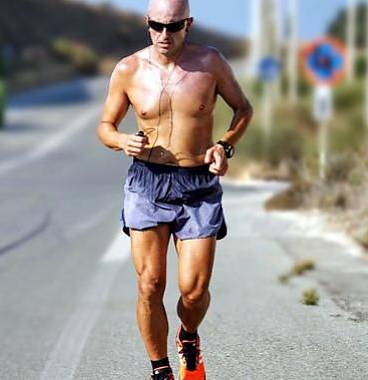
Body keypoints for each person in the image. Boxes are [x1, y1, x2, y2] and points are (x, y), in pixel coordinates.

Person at [96, 0, 253, 379]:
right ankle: (160, 369)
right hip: (147, 183)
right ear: (146, 23)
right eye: (157, 26)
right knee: (150, 283)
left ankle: (188, 335)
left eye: (175, 26)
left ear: (189, 24)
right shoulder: (128, 69)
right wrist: (119, 140)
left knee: (193, 291)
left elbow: (243, 109)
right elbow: (105, 125)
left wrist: (225, 146)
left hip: (197, 183)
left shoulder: (211, 63)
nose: (165, 34)